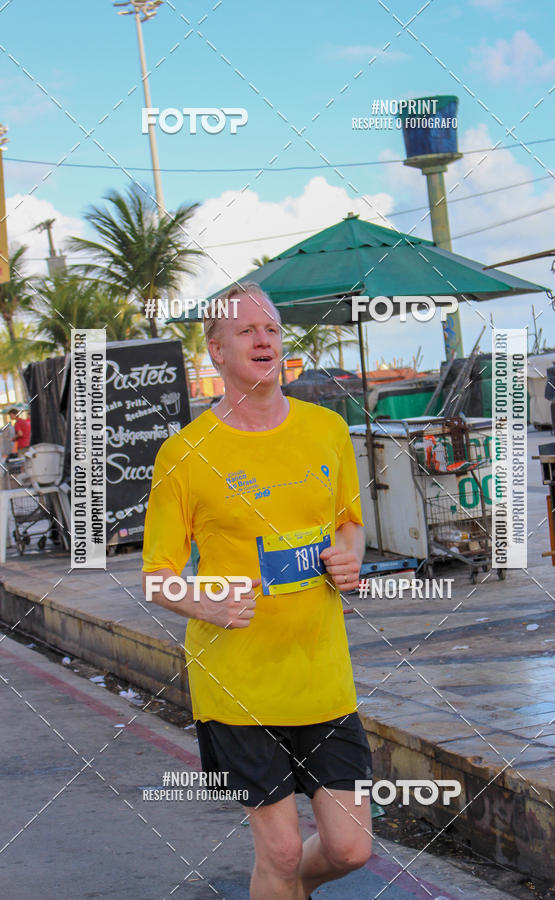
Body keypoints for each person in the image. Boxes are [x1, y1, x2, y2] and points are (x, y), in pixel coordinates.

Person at [142, 283, 373, 899]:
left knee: (351, 847)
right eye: (246, 331)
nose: (264, 339)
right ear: (216, 352)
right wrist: (206, 599)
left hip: (322, 674)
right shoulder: (185, 455)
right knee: (280, 847)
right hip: (236, 683)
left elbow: (349, 522)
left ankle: (276, 887)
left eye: (270, 328)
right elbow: (159, 576)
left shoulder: (326, 429)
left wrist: (349, 558)